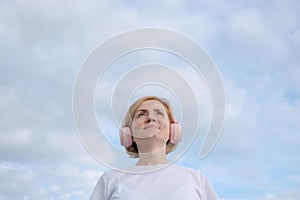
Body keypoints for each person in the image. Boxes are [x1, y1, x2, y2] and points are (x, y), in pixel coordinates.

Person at [90, 96, 219, 200]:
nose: (151, 118)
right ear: (129, 134)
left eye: (159, 113)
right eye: (141, 114)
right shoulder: (110, 179)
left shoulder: (196, 178)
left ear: (172, 130)